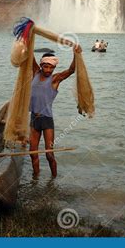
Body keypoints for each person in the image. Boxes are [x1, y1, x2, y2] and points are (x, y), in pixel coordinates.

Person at [29, 45, 82, 178]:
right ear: (41, 65)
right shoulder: (35, 72)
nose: (48, 70)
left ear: (54, 68)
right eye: (46, 66)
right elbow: (30, 57)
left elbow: (71, 70)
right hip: (34, 119)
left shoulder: (55, 79)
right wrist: (27, 39)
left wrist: (75, 54)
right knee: (32, 152)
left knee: (49, 153)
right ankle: (35, 177)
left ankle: (54, 179)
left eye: (51, 67)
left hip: (47, 120)